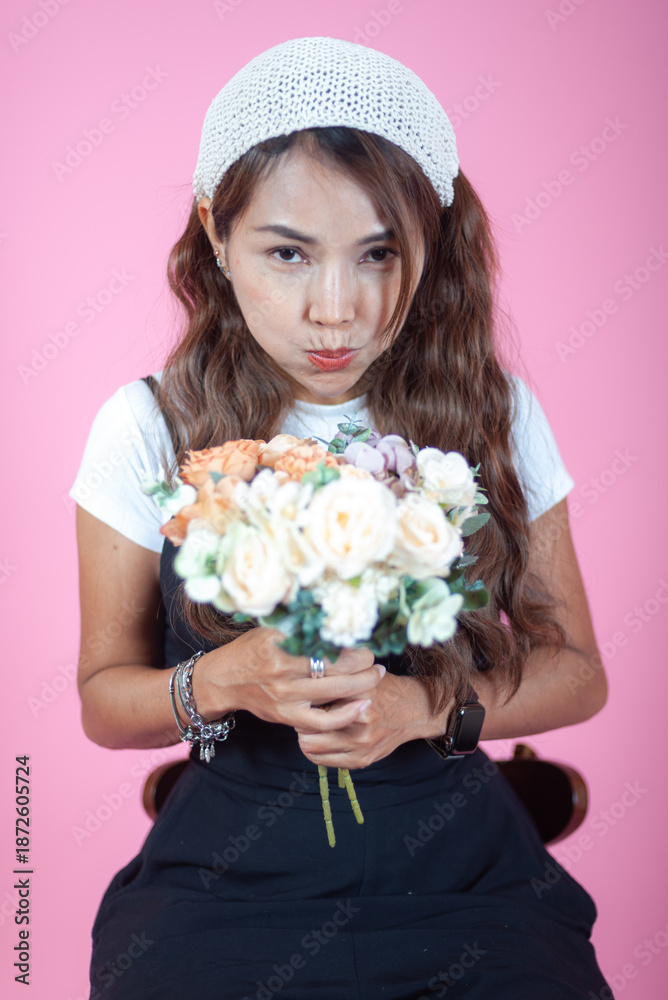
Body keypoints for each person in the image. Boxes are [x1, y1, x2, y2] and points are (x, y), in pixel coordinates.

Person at [69, 36, 612, 1000]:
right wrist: (226, 678)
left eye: (379, 254)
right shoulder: (147, 425)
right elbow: (106, 703)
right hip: (225, 887)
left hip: (467, 879)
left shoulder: (494, 411)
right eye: (287, 253)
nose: (336, 311)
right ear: (215, 230)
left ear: (431, 240)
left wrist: (423, 709)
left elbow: (578, 675)